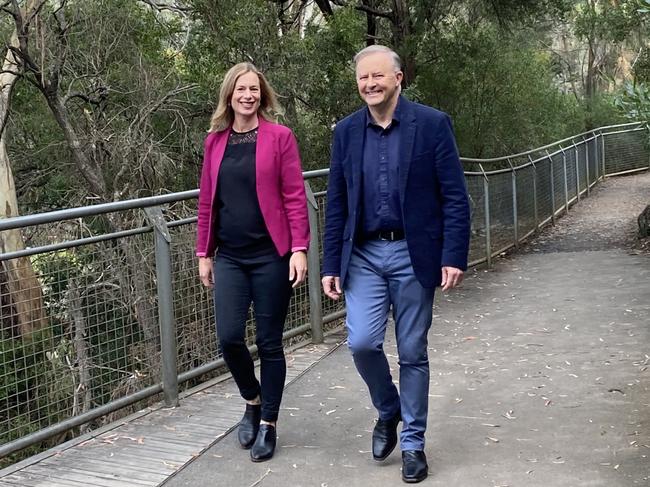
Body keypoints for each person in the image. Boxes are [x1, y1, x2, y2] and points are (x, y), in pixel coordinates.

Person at [321, 45, 470, 483]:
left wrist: (453, 254)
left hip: (413, 253)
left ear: (399, 78)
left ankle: (413, 444)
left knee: (411, 351)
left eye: (378, 76)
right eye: (363, 78)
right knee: (362, 343)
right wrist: (332, 262)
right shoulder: (347, 132)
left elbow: (455, 197)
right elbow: (337, 202)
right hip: (364, 255)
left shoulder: (432, 125)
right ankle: (389, 410)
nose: (370, 84)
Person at [196, 62, 309, 462]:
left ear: (262, 95)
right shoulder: (215, 142)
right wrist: (203, 254)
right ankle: (252, 399)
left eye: (255, 89)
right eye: (241, 89)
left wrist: (299, 249)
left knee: (269, 342)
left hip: (270, 256)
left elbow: (295, 195)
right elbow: (208, 201)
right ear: (229, 94)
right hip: (229, 256)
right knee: (228, 337)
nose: (248, 95)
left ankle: (269, 424)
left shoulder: (280, 137)